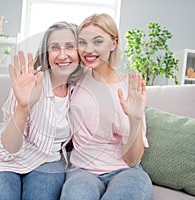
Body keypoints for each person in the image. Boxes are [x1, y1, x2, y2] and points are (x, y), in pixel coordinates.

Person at [0, 21, 82, 200]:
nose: (62, 55)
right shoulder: (29, 83)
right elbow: (9, 150)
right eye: (54, 47)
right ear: (46, 54)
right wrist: (23, 108)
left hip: (47, 162)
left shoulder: (80, 90)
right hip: (3, 160)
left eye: (69, 46)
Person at [60, 13, 153, 200]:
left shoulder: (129, 87)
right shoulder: (75, 78)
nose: (88, 49)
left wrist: (135, 119)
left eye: (97, 42)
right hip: (82, 170)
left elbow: (132, 159)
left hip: (125, 171)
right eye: (83, 42)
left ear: (113, 43)